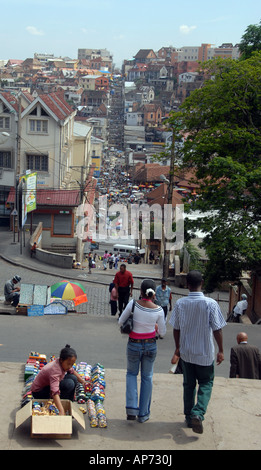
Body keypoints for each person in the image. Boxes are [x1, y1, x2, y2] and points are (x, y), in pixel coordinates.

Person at [169, 270, 226, 434]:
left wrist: (177, 348)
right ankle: (198, 413)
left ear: (187, 284)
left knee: (188, 385)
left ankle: (189, 417)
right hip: (205, 353)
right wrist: (221, 350)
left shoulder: (180, 304)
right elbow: (217, 330)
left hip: (186, 352)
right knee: (206, 383)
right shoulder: (210, 303)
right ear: (202, 282)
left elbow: (176, 329)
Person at [118, 279, 166, 422]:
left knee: (131, 374)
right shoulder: (159, 310)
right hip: (151, 345)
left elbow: (121, 321)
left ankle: (132, 409)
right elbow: (162, 332)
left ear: (141, 291)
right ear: (154, 293)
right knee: (147, 377)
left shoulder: (133, 304)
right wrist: (154, 327)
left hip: (133, 344)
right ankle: (143, 414)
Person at [31, 344, 86, 415]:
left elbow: (72, 371)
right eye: (68, 364)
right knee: (69, 384)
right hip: (39, 392)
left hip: (48, 386)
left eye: (72, 364)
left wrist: (83, 382)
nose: (70, 366)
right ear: (61, 360)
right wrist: (61, 410)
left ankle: (69, 403)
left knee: (74, 378)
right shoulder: (55, 370)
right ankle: (62, 405)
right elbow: (55, 392)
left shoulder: (62, 363)